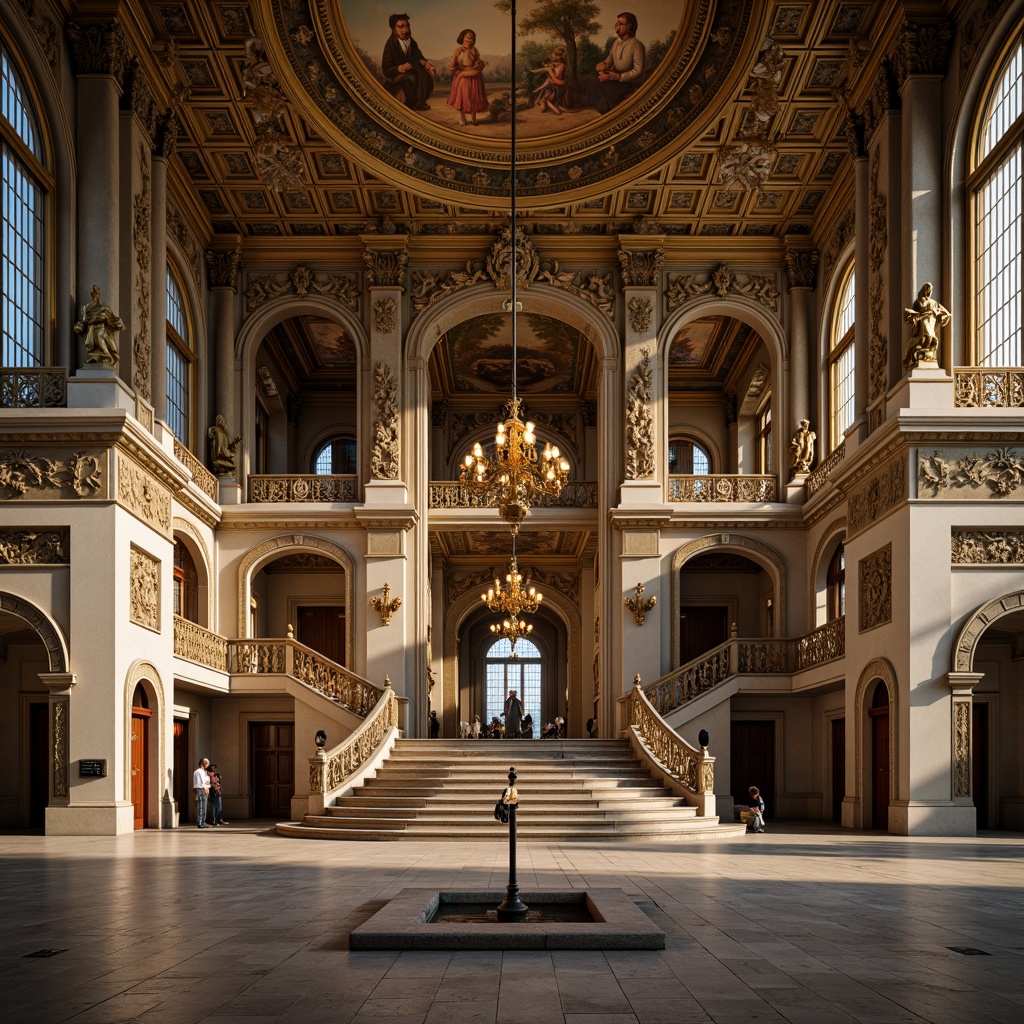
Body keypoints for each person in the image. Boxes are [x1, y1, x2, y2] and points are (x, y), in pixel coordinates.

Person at [586, 12, 645, 114]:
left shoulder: (637, 45)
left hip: (626, 82)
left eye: (620, 24)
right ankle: (604, 107)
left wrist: (618, 77)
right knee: (591, 79)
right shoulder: (616, 43)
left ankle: (607, 110)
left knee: (604, 86)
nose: (617, 27)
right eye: (616, 24)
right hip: (614, 77)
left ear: (630, 26)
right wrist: (602, 65)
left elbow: (638, 71)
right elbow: (608, 61)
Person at [382, 13, 436, 111]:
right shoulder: (390, 44)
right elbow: (386, 69)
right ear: (393, 29)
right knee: (411, 79)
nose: (406, 30)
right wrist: (400, 67)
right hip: (398, 75)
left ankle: (420, 102)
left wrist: (427, 64)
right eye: (401, 27)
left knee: (425, 76)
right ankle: (412, 104)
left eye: (407, 26)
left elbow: (418, 56)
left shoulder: (411, 41)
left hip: (412, 70)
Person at [74, 284, 124, 368]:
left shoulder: (104, 308)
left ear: (99, 294)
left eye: (96, 293)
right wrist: (79, 325)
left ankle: (106, 356)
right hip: (91, 328)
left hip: (101, 329)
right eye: (92, 293)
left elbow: (111, 320)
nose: (94, 295)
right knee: (89, 341)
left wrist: (104, 318)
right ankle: (96, 357)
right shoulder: (87, 308)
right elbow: (85, 320)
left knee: (98, 337)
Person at [903, 282, 951, 369]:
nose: (928, 292)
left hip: (931, 320)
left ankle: (927, 353)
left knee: (931, 336)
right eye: (927, 289)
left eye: (929, 290)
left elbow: (946, 313)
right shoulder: (918, 301)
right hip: (923, 320)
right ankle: (920, 353)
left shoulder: (933, 302)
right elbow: (916, 311)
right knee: (926, 335)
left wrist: (941, 315)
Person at [447, 29, 488, 126]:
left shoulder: (474, 50)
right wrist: (459, 73)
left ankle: (474, 119)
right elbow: (452, 66)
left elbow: (478, 61)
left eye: (472, 38)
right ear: (462, 38)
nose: (470, 40)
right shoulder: (459, 50)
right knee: (463, 98)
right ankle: (463, 119)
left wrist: (479, 64)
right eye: (468, 38)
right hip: (463, 77)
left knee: (473, 98)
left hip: (474, 77)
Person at [529, 47, 569, 115]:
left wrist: (551, 70)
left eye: (556, 55)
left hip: (558, 81)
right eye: (554, 54)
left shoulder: (561, 64)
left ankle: (532, 72)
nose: (553, 56)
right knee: (548, 77)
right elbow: (552, 66)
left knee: (548, 70)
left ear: (560, 57)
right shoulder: (558, 64)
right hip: (558, 81)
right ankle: (537, 90)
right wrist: (550, 66)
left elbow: (558, 75)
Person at [192, 757, 210, 829]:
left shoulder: (203, 772)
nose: (207, 765)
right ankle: (201, 822)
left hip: (202, 788)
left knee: (202, 806)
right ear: (204, 763)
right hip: (201, 789)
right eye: (207, 764)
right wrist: (205, 788)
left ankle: (202, 821)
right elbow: (202, 782)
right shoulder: (199, 771)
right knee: (202, 806)